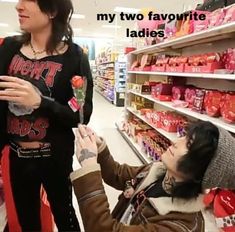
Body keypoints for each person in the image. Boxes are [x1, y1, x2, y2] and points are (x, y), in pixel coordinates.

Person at [0, 0, 93, 231]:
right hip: (16, 156)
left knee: (65, 216)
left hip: (54, 157)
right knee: (26, 220)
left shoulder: (74, 57)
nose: (18, 7)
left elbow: (81, 113)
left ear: (52, 10)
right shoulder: (8, 48)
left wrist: (41, 102)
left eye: (27, 1)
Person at [71, 121, 235, 232]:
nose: (176, 142)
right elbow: (118, 174)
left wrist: (89, 166)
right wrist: (100, 149)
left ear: (204, 171)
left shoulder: (180, 226)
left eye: (189, 144)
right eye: (184, 136)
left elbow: (104, 229)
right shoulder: (157, 171)